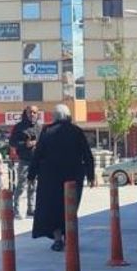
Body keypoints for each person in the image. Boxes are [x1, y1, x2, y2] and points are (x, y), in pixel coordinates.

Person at [27, 104, 95, 251]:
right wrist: (91, 175)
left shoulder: (47, 131)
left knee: (54, 209)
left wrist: (31, 175)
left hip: (50, 178)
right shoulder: (76, 131)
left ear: (55, 117)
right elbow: (87, 154)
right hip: (73, 177)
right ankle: (70, 238)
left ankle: (58, 240)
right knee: (70, 208)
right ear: (68, 116)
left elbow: (38, 155)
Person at [7, 105, 42, 218]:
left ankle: (30, 209)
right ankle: (15, 209)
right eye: (30, 112)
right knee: (21, 185)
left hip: (36, 161)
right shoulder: (19, 127)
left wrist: (37, 144)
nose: (32, 114)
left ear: (37, 114)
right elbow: (12, 143)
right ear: (26, 113)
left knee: (33, 185)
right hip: (24, 160)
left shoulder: (39, 127)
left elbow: (43, 142)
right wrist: (25, 144)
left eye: (34, 112)